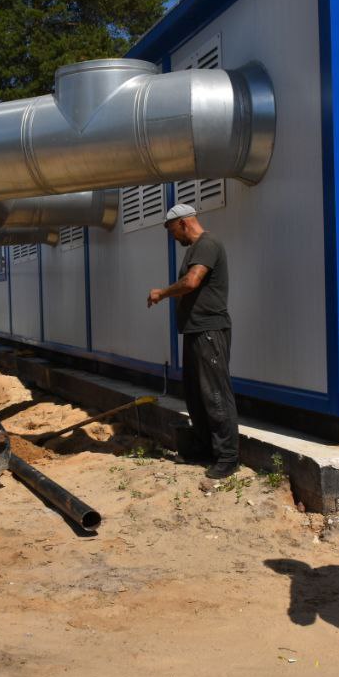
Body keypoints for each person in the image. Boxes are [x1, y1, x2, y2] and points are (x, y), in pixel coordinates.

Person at [147, 203, 239, 479]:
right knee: (196, 394)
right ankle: (205, 448)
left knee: (214, 394)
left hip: (209, 330)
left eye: (172, 230)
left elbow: (191, 282)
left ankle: (228, 457)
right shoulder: (194, 249)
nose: (173, 237)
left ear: (184, 223)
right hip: (196, 330)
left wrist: (161, 293)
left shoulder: (206, 244)